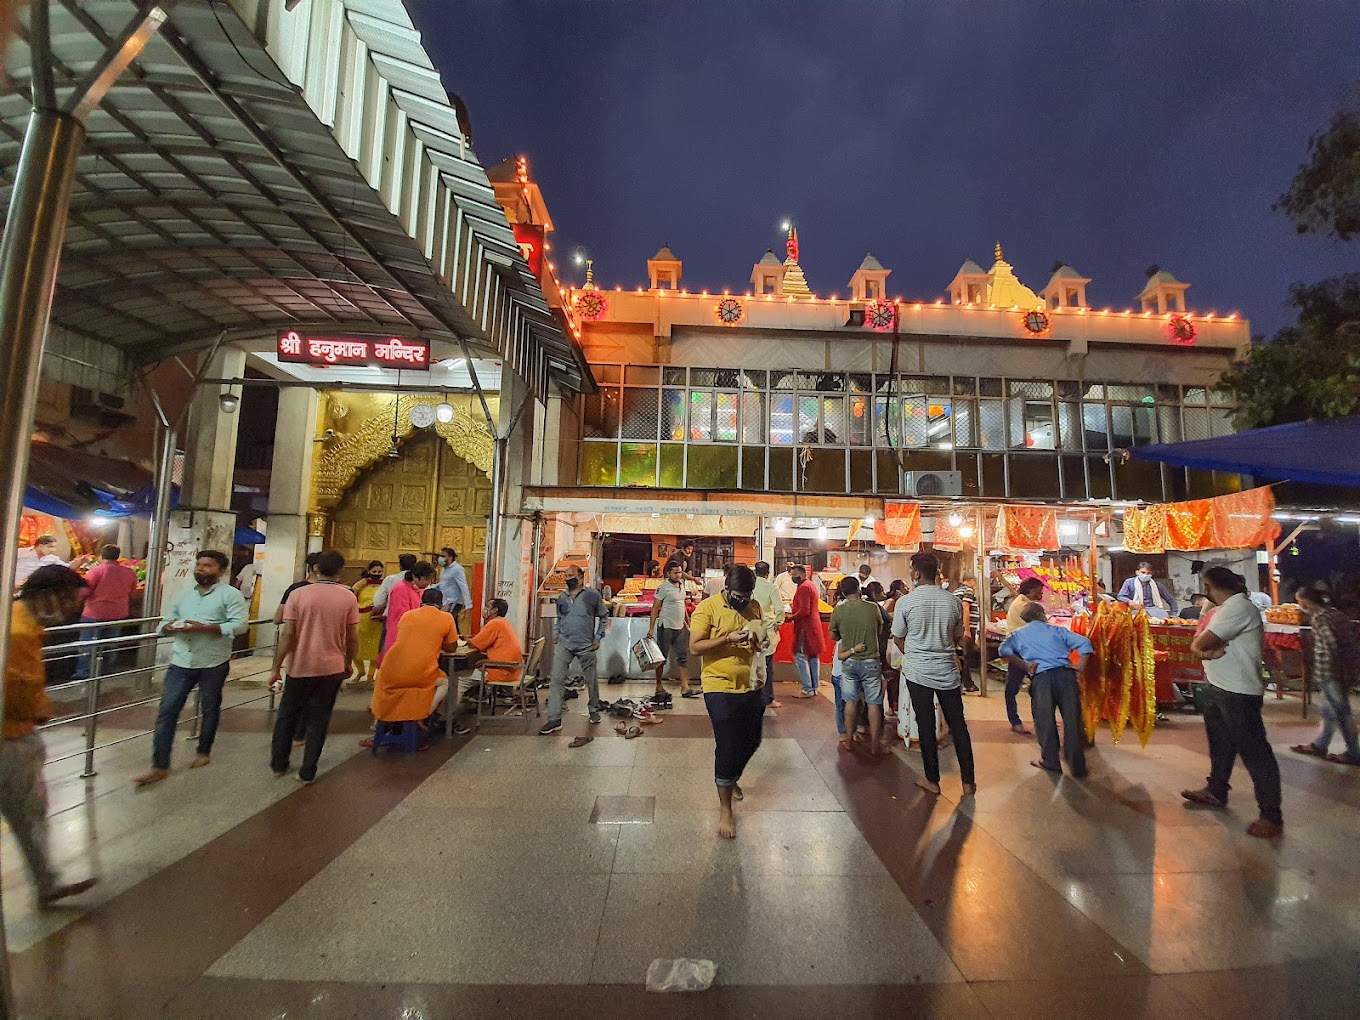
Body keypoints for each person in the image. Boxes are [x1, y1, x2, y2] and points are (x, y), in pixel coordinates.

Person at [4, 566, 98, 907]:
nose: (76, 607)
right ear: (48, 596)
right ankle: (45, 884)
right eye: (71, 599)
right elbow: (17, 692)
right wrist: (43, 709)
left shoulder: (21, 624)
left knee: (31, 814)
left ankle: (46, 883)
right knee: (29, 814)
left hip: (19, 735)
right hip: (10, 739)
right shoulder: (16, 633)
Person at [1182, 566, 1283, 838]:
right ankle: (1216, 790)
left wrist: (1202, 649)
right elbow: (1200, 640)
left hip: (1238, 691)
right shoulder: (1224, 609)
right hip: (1219, 686)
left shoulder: (1239, 608)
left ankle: (1271, 815)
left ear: (1208, 586)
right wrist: (1202, 643)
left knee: (1255, 753)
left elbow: (1201, 643)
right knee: (1221, 745)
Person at [133, 550, 249, 787]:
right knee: (167, 710)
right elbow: (167, 620)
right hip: (181, 661)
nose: (200, 569)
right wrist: (168, 628)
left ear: (221, 571)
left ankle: (203, 751)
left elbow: (240, 626)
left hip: (212, 662)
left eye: (207, 566)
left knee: (209, 707)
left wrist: (206, 628)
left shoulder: (231, 595)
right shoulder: (184, 595)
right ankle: (159, 765)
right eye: (199, 565)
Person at [689, 563, 767, 840]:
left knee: (753, 740)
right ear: (726, 588)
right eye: (738, 596)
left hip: (750, 682)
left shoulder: (754, 606)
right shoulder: (707, 608)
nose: (743, 601)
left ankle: (731, 775)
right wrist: (726, 639)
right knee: (727, 742)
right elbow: (695, 646)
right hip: (717, 684)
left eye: (747, 596)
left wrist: (758, 640)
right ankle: (725, 809)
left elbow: (761, 641)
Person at [269, 550, 359, 783]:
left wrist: (275, 668)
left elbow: (288, 634)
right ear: (340, 572)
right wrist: (348, 663)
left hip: (300, 666)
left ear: (316, 569)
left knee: (287, 715)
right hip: (331, 667)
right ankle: (308, 770)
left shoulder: (298, 595)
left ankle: (279, 764)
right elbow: (352, 637)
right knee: (319, 720)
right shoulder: (348, 596)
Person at [892, 552, 976, 797]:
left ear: (917, 573)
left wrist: (914, 654)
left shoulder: (905, 602)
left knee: (926, 725)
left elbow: (898, 637)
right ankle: (968, 782)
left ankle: (932, 780)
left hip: (918, 673)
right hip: (947, 671)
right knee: (958, 726)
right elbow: (960, 637)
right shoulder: (952, 602)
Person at [1000, 602, 1094, 777]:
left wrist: (1025, 665)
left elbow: (1004, 650)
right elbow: (1085, 644)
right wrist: (1079, 666)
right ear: (1040, 615)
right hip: (1066, 677)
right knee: (1072, 720)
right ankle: (1077, 765)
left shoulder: (1018, 635)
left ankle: (1051, 761)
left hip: (1042, 679)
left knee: (1045, 721)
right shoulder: (1057, 631)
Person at [366, 588, 456, 746]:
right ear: (441, 604)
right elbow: (452, 647)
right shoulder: (446, 617)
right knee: (445, 683)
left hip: (391, 668)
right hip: (421, 672)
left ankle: (379, 725)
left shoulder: (407, 615)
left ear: (421, 602)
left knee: (388, 686)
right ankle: (423, 715)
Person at [1290, 583, 1359, 766]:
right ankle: (1320, 745)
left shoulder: (1320, 618)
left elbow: (1331, 644)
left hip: (1331, 672)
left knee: (1341, 712)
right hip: (1344, 670)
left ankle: (1354, 752)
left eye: (1299, 601)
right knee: (1328, 711)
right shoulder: (1336, 614)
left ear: (1306, 601)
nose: (1299, 605)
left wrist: (1335, 670)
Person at [539, 563, 608, 735]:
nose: (568, 578)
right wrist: (556, 634)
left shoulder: (592, 595)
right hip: (565, 644)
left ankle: (594, 709)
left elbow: (604, 615)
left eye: (571, 575)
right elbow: (560, 617)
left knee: (591, 680)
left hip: (586, 645)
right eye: (566, 575)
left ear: (580, 577)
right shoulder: (562, 597)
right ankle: (554, 719)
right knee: (556, 679)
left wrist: (598, 637)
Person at [830, 575, 887, 756]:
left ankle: (848, 740)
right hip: (871, 661)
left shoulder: (839, 610)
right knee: (873, 703)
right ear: (858, 589)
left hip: (849, 663)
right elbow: (879, 630)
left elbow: (834, 636)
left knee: (850, 702)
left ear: (844, 592)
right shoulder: (873, 608)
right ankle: (875, 745)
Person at [457, 598, 524, 731]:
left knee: (457, 680)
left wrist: (466, 640)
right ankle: (467, 702)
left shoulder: (494, 624)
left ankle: (448, 718)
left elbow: (475, 644)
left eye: (488, 606)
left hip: (500, 671)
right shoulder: (502, 623)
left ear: (495, 610)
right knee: (471, 669)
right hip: (512, 670)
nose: (484, 609)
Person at [73, 544, 138, 681]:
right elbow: (132, 592)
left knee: (88, 645)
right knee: (109, 645)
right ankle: (104, 672)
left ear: (101, 556)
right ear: (117, 556)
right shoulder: (130, 573)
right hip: (118, 614)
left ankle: (84, 674)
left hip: (94, 614)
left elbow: (85, 591)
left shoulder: (96, 571)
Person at [996, 577, 1045, 736]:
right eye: (1039, 591)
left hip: (1027, 650)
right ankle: (1016, 721)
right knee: (1013, 687)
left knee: (1034, 687)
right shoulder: (1024, 606)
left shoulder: (1023, 602)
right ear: (1030, 590)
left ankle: (1039, 720)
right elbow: (1038, 624)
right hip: (1020, 651)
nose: (1041, 594)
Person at [646, 560, 695, 701]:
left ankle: (685, 687)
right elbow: (655, 609)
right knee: (662, 658)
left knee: (683, 657)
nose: (679, 575)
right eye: (676, 573)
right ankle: (659, 686)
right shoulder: (663, 588)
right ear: (668, 574)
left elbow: (682, 605)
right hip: (666, 627)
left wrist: (687, 619)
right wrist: (651, 628)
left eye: (680, 572)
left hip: (680, 627)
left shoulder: (682, 586)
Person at [379, 561, 437, 662]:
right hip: (399, 635)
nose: (428, 583)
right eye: (426, 579)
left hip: (413, 635)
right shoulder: (401, 589)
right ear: (415, 577)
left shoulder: (419, 590)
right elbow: (404, 617)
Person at [752, 561, 784, 711]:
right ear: (768, 573)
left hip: (752, 627)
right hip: (768, 629)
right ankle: (768, 698)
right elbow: (779, 609)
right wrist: (778, 622)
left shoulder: (749, 585)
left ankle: (752, 696)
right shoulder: (771, 588)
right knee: (767, 665)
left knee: (752, 664)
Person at [790, 565, 825, 698]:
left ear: (803, 574)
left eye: (795, 575)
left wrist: (790, 617)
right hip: (813, 625)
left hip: (805, 627)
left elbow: (804, 610)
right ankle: (814, 687)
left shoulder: (804, 587)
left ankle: (807, 688)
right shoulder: (809, 585)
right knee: (813, 656)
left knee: (799, 655)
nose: (793, 577)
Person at [351, 560, 386, 683]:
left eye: (379, 572)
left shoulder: (384, 585)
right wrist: (359, 585)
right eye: (374, 571)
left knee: (375, 648)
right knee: (356, 646)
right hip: (361, 618)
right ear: (369, 571)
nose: (377, 574)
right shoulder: (361, 585)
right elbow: (351, 595)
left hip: (376, 620)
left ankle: (371, 675)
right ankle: (360, 671)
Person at [952, 576, 981, 694]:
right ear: (972, 581)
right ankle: (967, 684)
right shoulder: (968, 590)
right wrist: (967, 629)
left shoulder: (956, 591)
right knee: (966, 657)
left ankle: (965, 683)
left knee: (961, 656)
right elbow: (966, 609)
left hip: (957, 627)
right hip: (965, 627)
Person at [438, 547, 472, 634]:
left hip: (454, 601)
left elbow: (463, 585)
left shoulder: (457, 569)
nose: (441, 558)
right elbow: (443, 583)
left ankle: (456, 639)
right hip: (445, 601)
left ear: (450, 557)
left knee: (451, 620)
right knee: (451, 622)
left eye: (443, 556)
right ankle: (457, 639)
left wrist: (468, 604)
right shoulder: (444, 569)